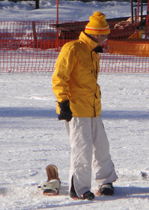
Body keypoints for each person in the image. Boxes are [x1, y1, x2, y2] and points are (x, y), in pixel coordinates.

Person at [52, 11, 118, 200]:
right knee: (82, 149)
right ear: (96, 34)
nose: (106, 39)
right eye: (105, 35)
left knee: (102, 146)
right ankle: (79, 188)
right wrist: (63, 102)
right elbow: (59, 77)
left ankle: (105, 181)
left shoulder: (92, 51)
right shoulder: (72, 48)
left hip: (93, 107)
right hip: (76, 109)